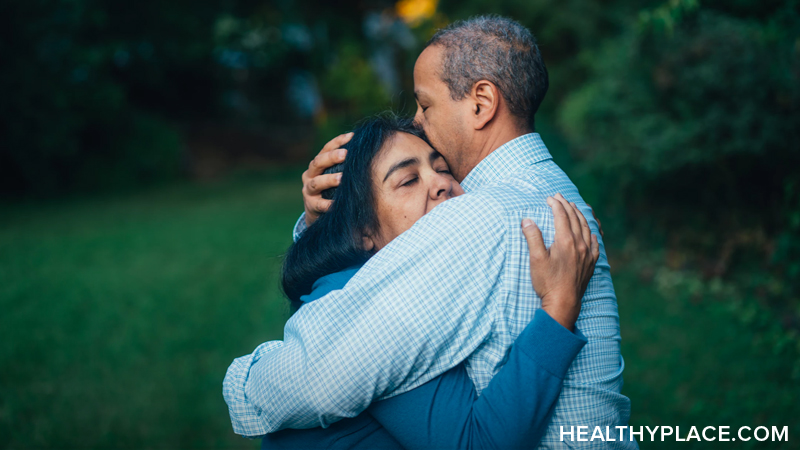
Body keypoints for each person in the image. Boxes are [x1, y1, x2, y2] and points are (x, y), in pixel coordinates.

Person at [227, 15, 636, 449]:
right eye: (408, 179)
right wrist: (324, 222)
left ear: (481, 103)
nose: (418, 122)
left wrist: (243, 380)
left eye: (425, 105)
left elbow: (317, 378)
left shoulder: (480, 217)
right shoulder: (555, 195)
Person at [227, 115, 598, 449]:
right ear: (362, 232)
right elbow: (478, 442)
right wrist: (558, 308)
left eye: (443, 169)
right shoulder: (377, 310)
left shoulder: (379, 279)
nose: (441, 184)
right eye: (408, 180)